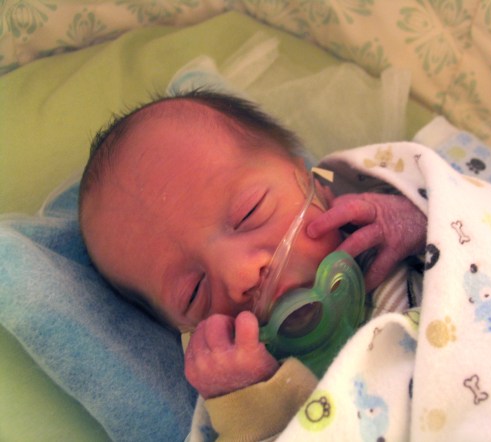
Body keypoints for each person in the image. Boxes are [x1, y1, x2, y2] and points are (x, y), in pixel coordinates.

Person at [79, 89, 428, 440]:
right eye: (194, 292)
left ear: (313, 183)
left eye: (249, 213)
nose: (241, 274)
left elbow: (463, 207)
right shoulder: (234, 396)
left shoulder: (390, 211)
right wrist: (253, 405)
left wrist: (420, 217)